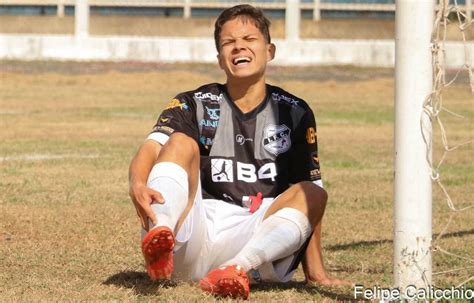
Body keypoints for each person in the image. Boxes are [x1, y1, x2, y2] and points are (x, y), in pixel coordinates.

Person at [129, 4, 352, 299]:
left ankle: (236, 269)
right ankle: (162, 237)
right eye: (228, 43)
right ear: (220, 58)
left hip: (257, 242)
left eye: (249, 39)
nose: (238, 48)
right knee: (180, 142)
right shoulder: (194, 103)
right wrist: (137, 183)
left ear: (270, 50)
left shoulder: (295, 112)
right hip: (194, 236)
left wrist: (316, 273)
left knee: (313, 192)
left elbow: (312, 204)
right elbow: (150, 148)